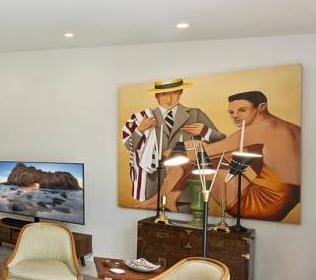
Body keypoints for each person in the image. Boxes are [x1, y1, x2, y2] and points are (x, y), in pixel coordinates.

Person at [122, 78, 225, 204]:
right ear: (157, 96)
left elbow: (221, 140)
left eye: (174, 93)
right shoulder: (144, 117)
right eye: (164, 94)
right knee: (151, 217)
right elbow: (129, 146)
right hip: (153, 181)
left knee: (182, 214)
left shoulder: (195, 114)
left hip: (183, 183)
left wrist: (205, 132)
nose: (169, 98)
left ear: (180, 92)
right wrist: (139, 130)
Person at [203, 91, 301, 221]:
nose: (235, 116)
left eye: (242, 110)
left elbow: (198, 154)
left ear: (262, 107)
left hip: (261, 203)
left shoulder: (258, 130)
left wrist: (174, 151)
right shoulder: (294, 129)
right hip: (285, 202)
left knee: (199, 156)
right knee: (238, 151)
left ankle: (170, 203)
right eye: (231, 112)